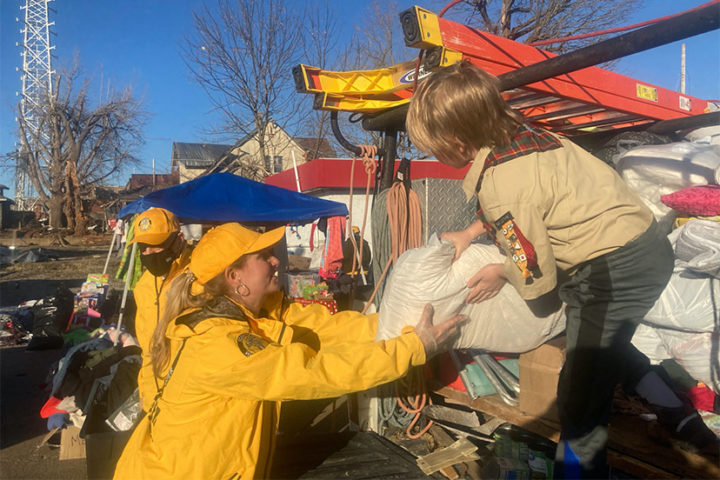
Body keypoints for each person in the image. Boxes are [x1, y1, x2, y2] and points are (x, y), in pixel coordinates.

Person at [406, 60, 717, 477]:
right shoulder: (534, 139)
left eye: (433, 147)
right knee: (609, 351)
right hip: (641, 250)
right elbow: (531, 201)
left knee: (580, 395)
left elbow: (533, 275)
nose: (433, 154)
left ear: (455, 141)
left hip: (613, 267)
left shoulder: (501, 183)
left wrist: (503, 275)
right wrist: (472, 231)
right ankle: (684, 422)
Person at [114, 222, 465, 480]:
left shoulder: (251, 318)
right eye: (263, 256)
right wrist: (412, 348)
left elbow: (321, 331)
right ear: (236, 277)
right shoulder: (216, 344)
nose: (276, 261)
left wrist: (394, 323)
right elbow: (312, 372)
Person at [128, 207, 192, 411]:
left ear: (179, 240)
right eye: (143, 247)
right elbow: (148, 350)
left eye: (156, 245)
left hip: (189, 397)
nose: (149, 253)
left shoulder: (199, 276)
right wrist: (145, 393)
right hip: (155, 396)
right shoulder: (143, 287)